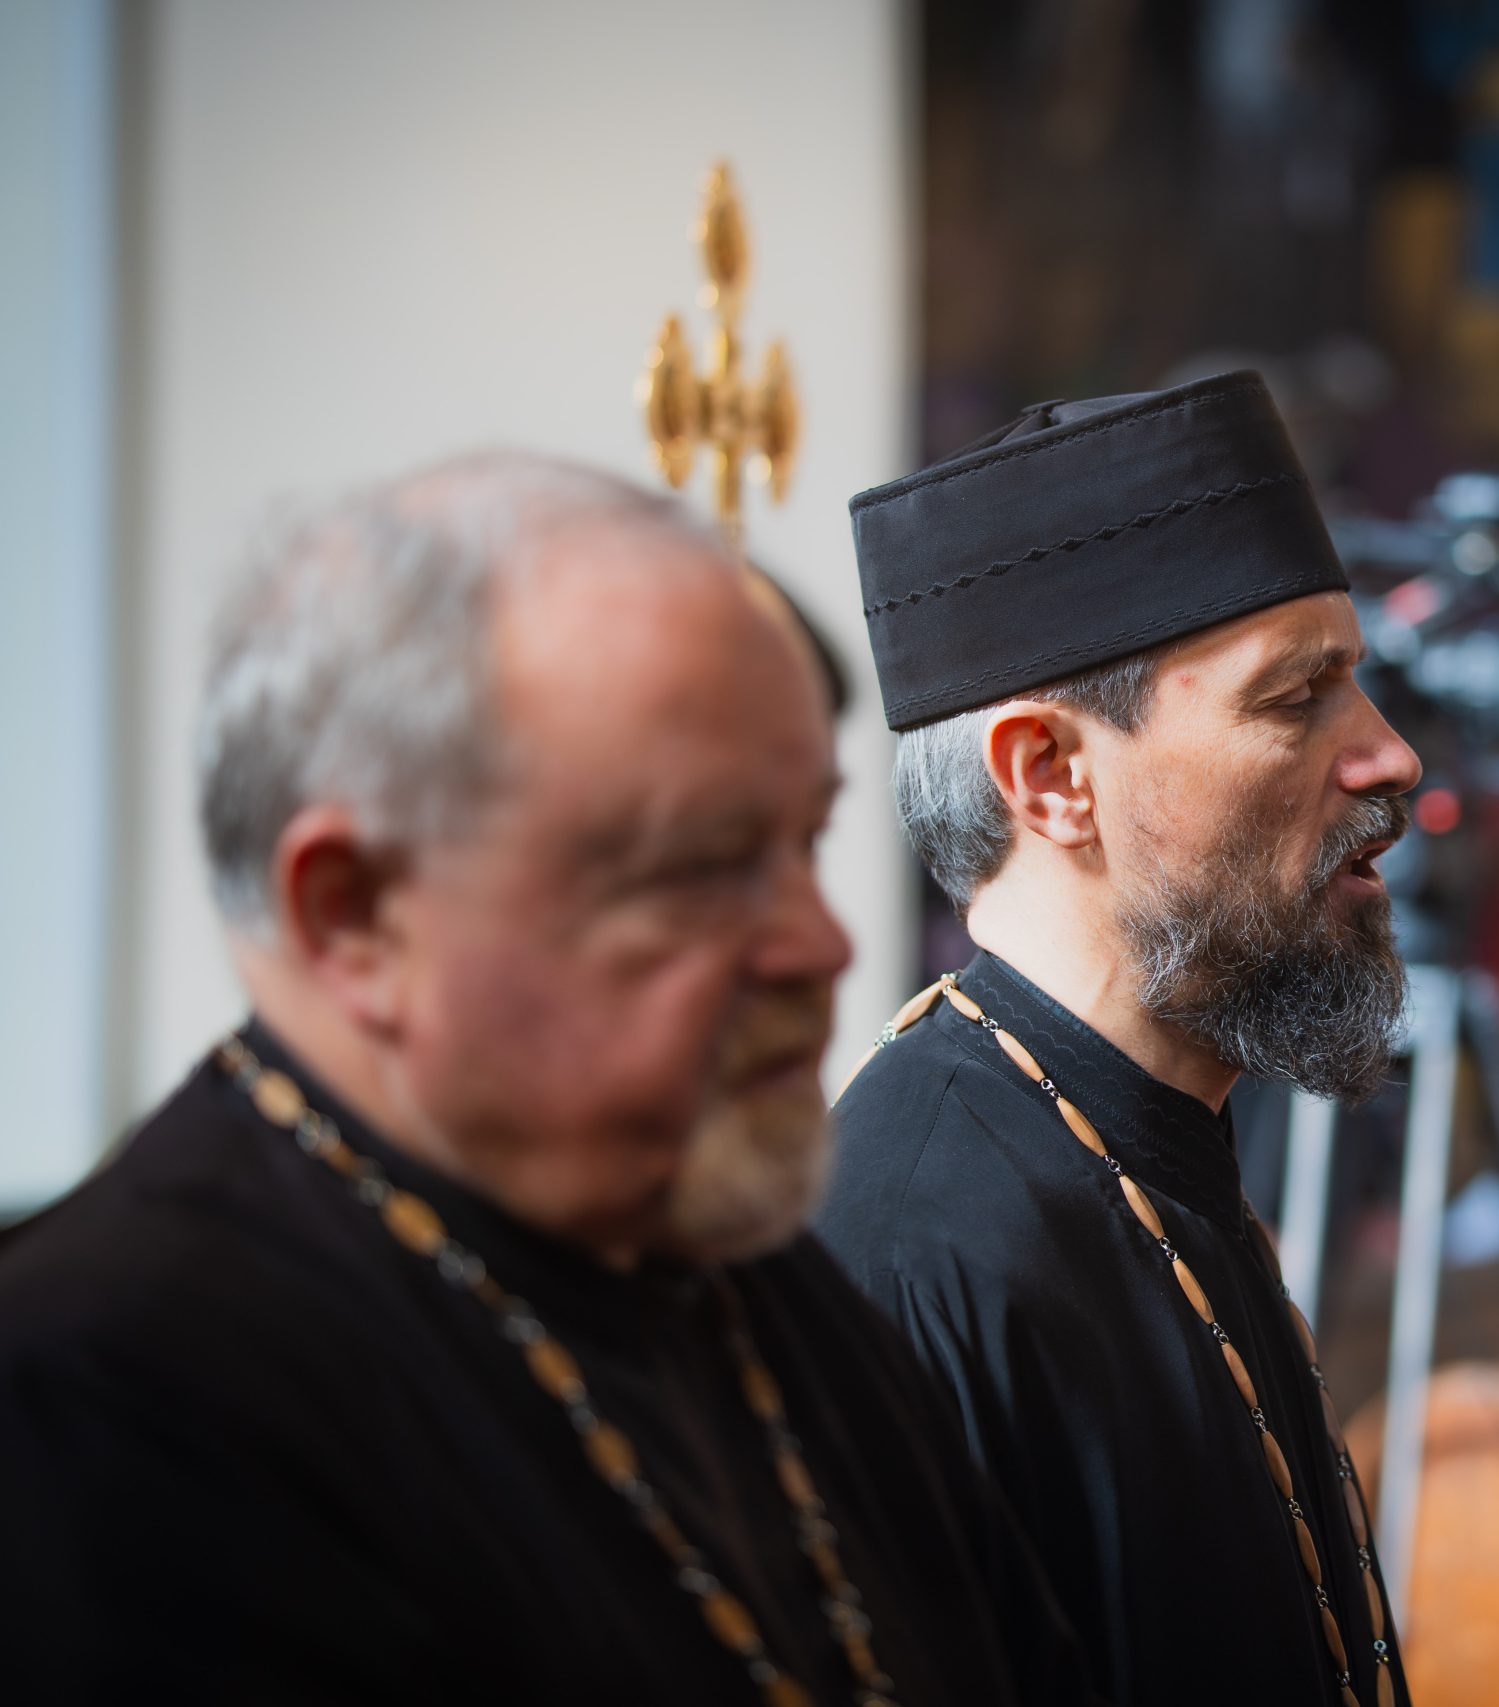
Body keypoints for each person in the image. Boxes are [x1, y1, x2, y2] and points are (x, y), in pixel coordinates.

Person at [0, 455, 1091, 1707]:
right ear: (354, 915)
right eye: (702, 864)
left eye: (806, 841)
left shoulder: (748, 1263)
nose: (820, 944)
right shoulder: (106, 1397)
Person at [820, 371, 1420, 1707]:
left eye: (1358, 685)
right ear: (1050, 777)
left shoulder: (1158, 1146)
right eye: (1296, 698)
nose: (1391, 757)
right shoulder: (910, 1253)